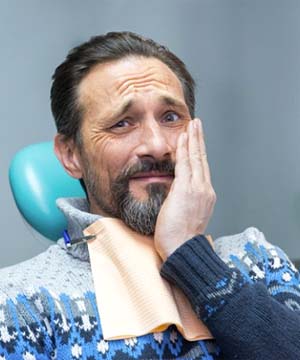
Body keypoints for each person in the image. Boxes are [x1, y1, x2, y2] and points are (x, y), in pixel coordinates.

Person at [1, 32, 300, 360]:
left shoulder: (255, 260)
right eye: (122, 123)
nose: (157, 145)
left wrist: (190, 255)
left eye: (171, 118)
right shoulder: (21, 301)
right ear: (71, 155)